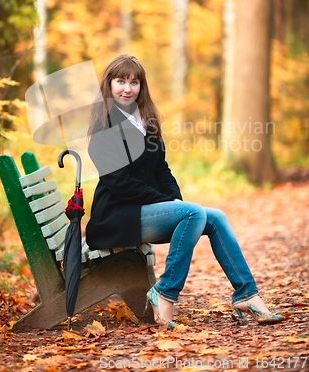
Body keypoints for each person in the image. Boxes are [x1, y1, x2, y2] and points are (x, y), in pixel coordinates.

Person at [86, 54, 284, 329]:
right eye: (121, 81)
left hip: (143, 210)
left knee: (215, 216)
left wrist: (174, 199)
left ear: (142, 87)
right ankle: (165, 292)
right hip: (117, 216)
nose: (128, 89)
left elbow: (161, 170)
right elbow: (120, 184)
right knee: (193, 213)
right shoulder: (103, 129)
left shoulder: (145, 122)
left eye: (134, 82)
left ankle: (247, 294)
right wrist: (169, 203)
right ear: (108, 85)